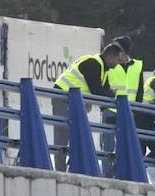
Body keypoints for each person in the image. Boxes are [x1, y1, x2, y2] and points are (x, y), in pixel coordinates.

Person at [52, 42, 123, 172]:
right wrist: (110, 93)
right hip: (63, 96)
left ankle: (72, 168)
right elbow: (98, 91)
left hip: (75, 99)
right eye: (118, 60)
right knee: (62, 135)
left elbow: (103, 90)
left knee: (78, 134)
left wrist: (106, 93)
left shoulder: (103, 68)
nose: (118, 63)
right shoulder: (93, 63)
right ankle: (60, 170)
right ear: (110, 56)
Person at [100, 36, 145, 173]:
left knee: (125, 144)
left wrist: (137, 109)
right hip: (110, 109)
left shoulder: (138, 65)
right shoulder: (109, 61)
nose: (113, 49)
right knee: (108, 145)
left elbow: (140, 89)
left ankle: (121, 173)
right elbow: (103, 82)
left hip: (129, 112)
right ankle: (107, 175)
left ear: (125, 51)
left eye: (117, 47)